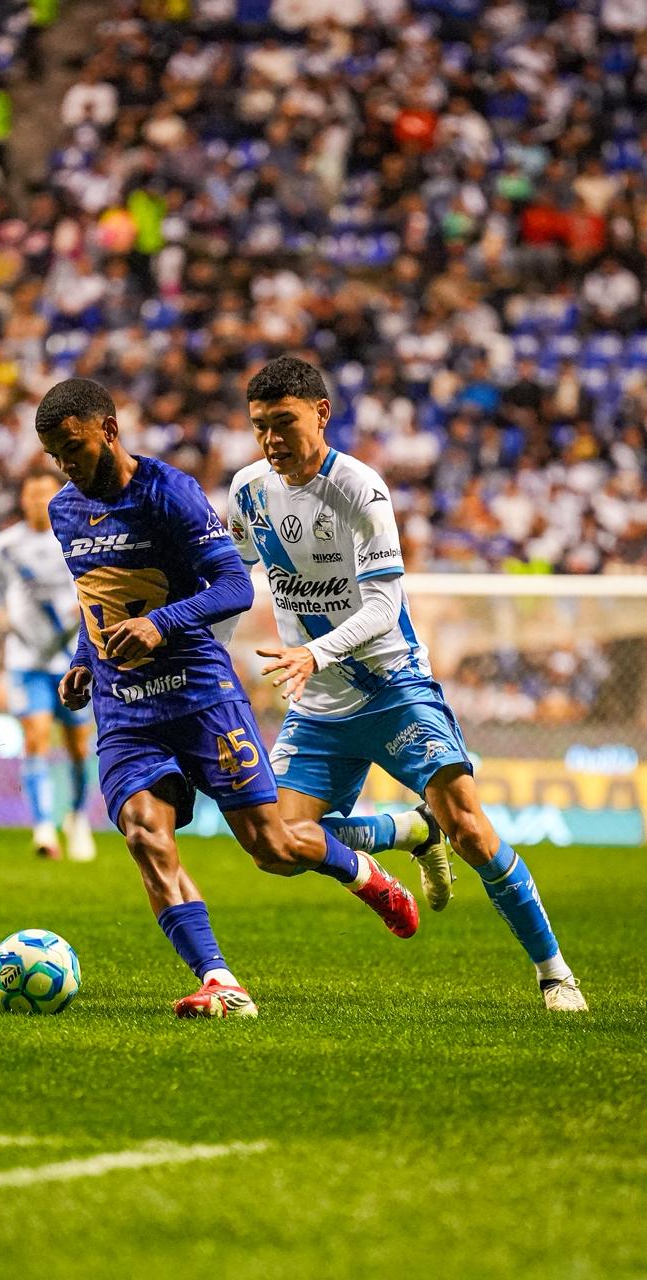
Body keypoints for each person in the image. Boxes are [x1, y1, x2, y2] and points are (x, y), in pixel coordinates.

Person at [36, 377, 419, 1021]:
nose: (67, 466)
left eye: (74, 448)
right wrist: (84, 659)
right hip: (126, 709)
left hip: (199, 696)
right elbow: (99, 595)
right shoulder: (64, 510)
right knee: (143, 834)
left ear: (108, 430)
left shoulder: (169, 492)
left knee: (271, 847)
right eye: (55, 456)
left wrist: (161, 624)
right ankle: (220, 980)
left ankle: (363, 870)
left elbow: (234, 587)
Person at [228, 356, 587, 1013]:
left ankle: (555, 974)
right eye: (260, 427)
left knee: (472, 832)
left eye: (284, 423)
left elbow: (381, 606)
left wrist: (312, 652)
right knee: (275, 845)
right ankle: (406, 833)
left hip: (392, 687)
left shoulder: (360, 488)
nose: (271, 439)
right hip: (320, 704)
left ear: (321, 414)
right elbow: (232, 578)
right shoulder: (248, 490)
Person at [0, 471, 95, 862]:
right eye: (31, 494)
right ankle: (44, 827)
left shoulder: (76, 537)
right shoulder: (6, 544)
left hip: (72, 660)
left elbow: (92, 585)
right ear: (22, 498)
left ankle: (78, 819)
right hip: (26, 658)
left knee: (79, 747)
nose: (37, 501)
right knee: (35, 738)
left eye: (44, 494)